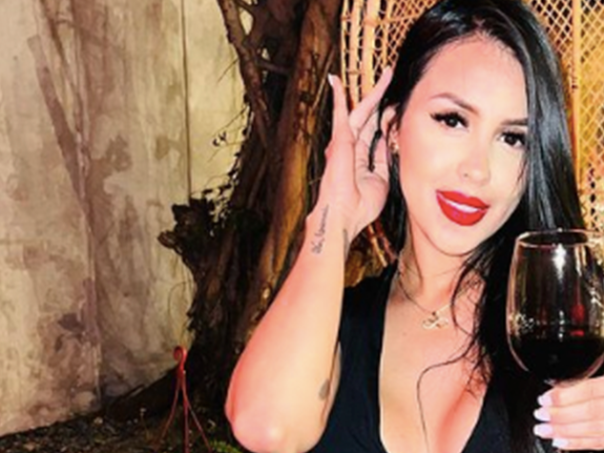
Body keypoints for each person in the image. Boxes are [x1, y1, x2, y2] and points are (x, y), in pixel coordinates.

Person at [225, 0, 604, 452]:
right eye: (452, 120)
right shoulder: (335, 326)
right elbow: (265, 428)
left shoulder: (572, 323)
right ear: (393, 130)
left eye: (512, 138)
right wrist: (335, 213)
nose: (478, 170)